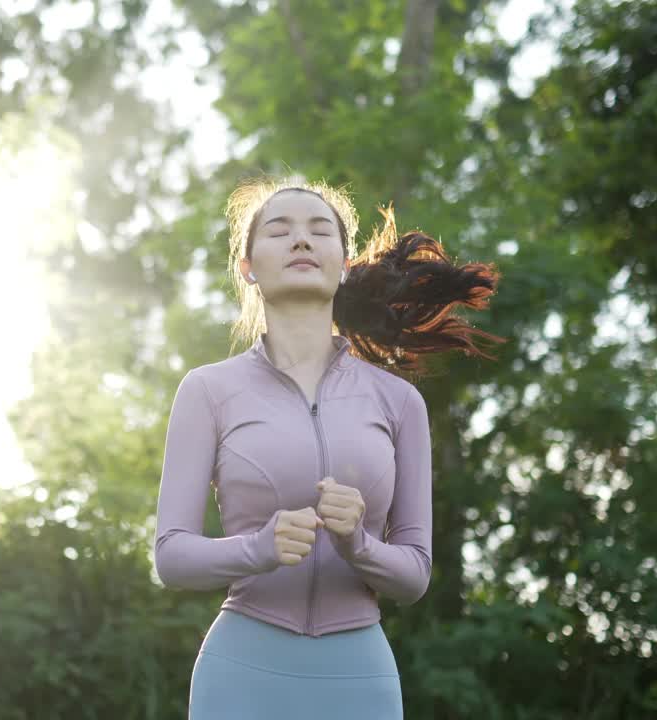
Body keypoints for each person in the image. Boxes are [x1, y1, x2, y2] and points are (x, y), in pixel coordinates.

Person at [153, 176, 504, 718]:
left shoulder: (399, 401)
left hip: (359, 676)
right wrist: (258, 549)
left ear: (343, 264)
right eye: (279, 230)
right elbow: (172, 556)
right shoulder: (207, 390)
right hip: (241, 670)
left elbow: (413, 575)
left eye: (320, 231)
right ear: (247, 267)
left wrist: (357, 544)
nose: (301, 240)